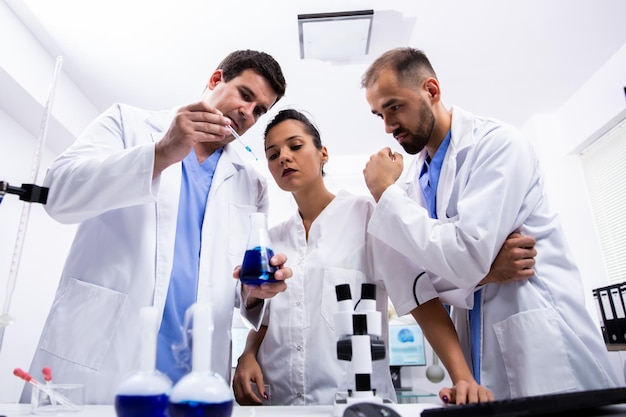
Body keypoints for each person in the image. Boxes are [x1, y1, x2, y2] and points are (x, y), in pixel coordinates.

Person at [22, 50, 292, 404]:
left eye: (259, 110)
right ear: (215, 80)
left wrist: (255, 292)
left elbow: (240, 281)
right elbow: (57, 194)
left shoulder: (251, 181)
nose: (248, 113)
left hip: (195, 369)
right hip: (105, 354)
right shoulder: (127, 124)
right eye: (245, 95)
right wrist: (160, 152)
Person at [360, 47, 621, 400]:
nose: (389, 126)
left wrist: (384, 192)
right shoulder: (413, 183)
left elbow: (460, 258)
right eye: (379, 114)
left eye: (394, 107)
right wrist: (485, 270)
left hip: (544, 347)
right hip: (480, 357)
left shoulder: (498, 146)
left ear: (431, 91)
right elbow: (422, 284)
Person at [231, 109, 534, 406]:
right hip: (280, 403)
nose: (283, 156)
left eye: (295, 146)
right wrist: (247, 354)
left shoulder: (368, 216)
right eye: (272, 154)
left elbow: (421, 300)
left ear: (323, 153)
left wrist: (463, 378)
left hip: (355, 404)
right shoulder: (271, 238)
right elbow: (270, 318)